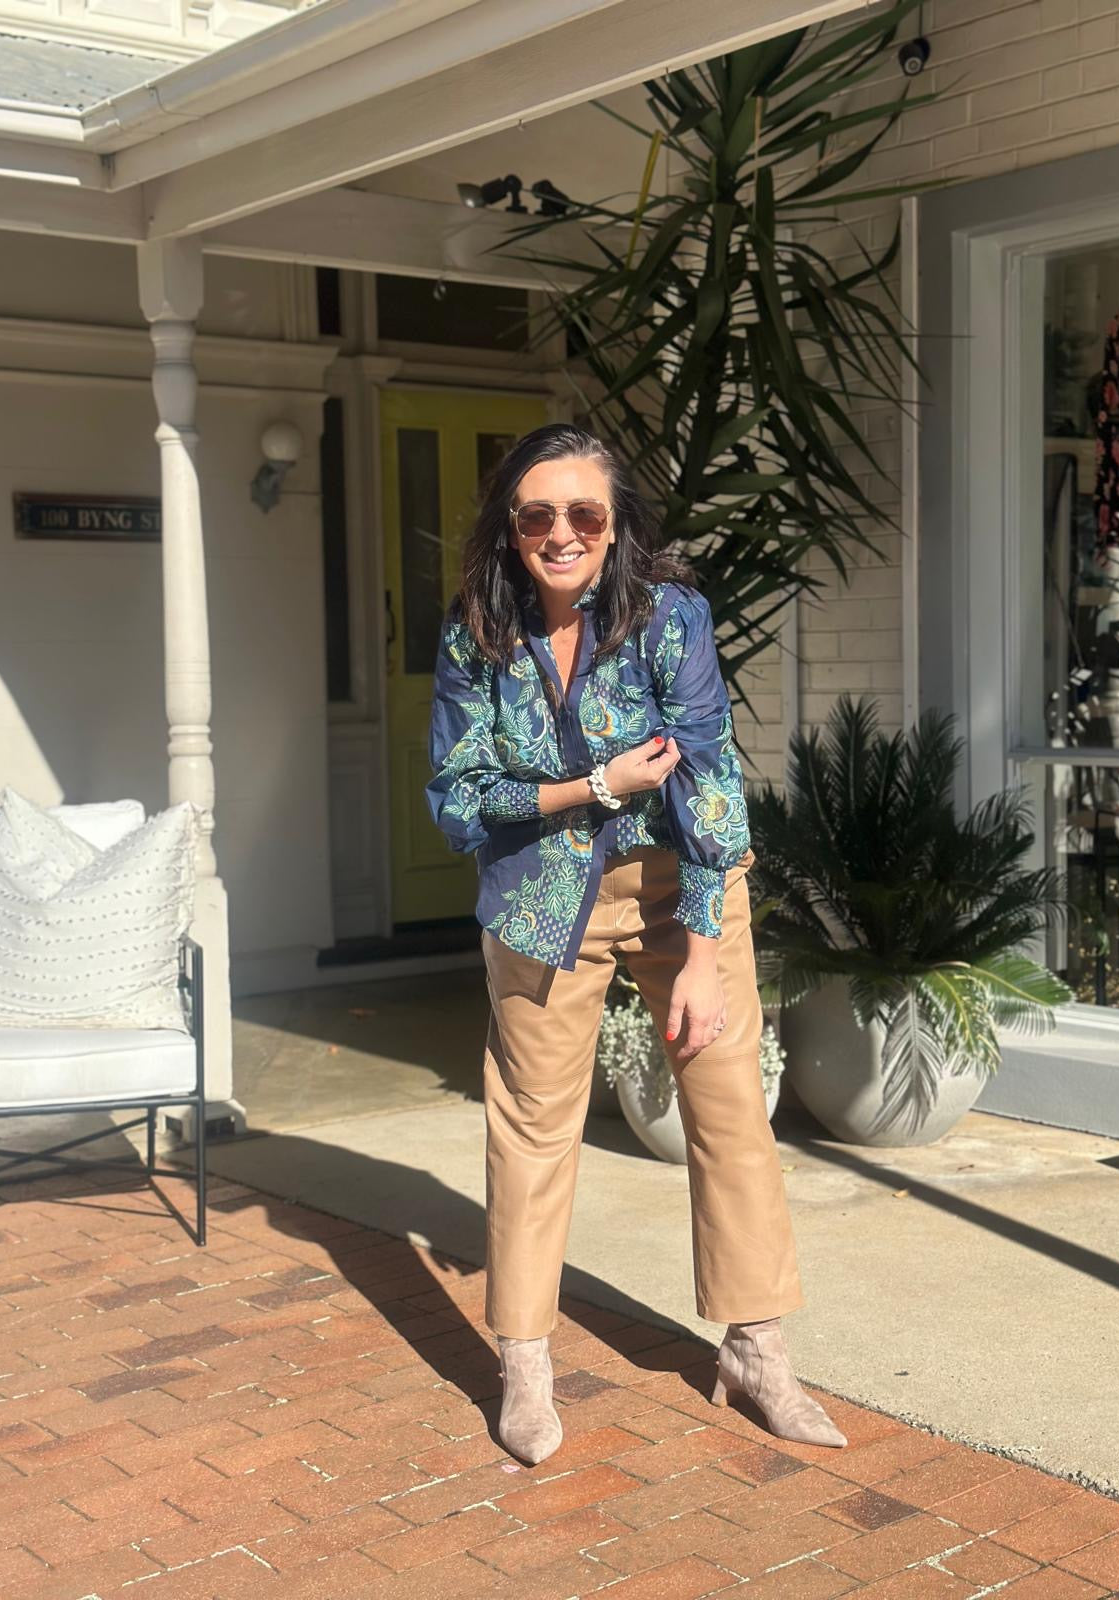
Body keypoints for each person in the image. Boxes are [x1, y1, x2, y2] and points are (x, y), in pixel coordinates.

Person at [426, 422, 846, 1464]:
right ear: (511, 528)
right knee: (533, 1121)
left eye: (584, 513)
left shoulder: (668, 618)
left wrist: (702, 952)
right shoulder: (476, 634)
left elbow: (708, 777)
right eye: (538, 514)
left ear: (616, 527)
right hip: (541, 895)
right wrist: (592, 786)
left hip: (678, 884)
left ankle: (758, 1350)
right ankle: (526, 1362)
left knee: (730, 1106)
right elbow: (457, 800)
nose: (561, 533)